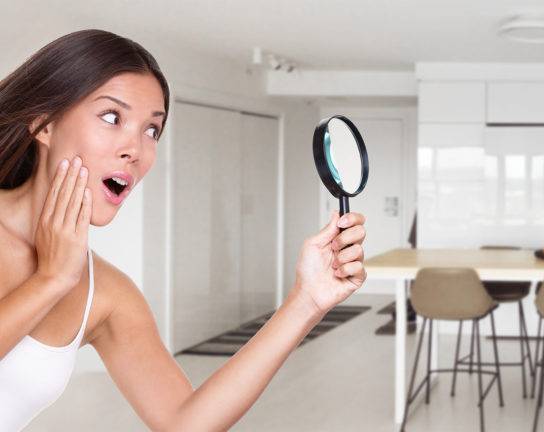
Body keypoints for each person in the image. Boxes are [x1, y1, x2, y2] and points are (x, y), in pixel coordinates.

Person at [0, 29, 367, 431]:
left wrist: (306, 302)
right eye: (112, 117)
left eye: (151, 130)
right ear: (44, 123)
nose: (136, 149)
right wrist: (51, 279)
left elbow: (184, 424)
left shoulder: (104, 292)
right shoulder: (67, 275)